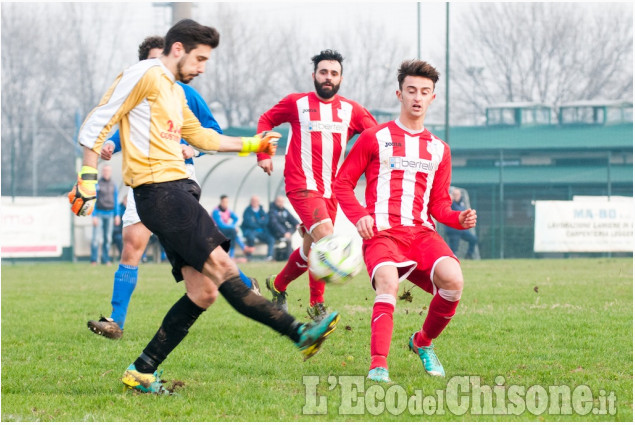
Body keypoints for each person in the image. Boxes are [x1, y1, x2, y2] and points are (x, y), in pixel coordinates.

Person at [69, 19, 340, 395]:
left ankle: (142, 370)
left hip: (175, 192)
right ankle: (298, 332)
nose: (202, 68)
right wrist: (87, 176)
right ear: (177, 48)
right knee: (225, 269)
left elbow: (200, 136)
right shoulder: (144, 74)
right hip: (162, 193)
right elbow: (99, 119)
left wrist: (253, 144)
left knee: (204, 292)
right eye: (199, 59)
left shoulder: (174, 91)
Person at [86, 36, 261, 340]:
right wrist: (111, 146)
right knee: (131, 245)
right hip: (144, 182)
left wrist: (195, 150)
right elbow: (125, 131)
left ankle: (246, 287)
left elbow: (211, 133)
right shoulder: (139, 85)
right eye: (153, 62)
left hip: (178, 180)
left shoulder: (185, 93)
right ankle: (116, 321)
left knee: (202, 252)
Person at [333, 60, 477, 383]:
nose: (417, 97)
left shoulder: (440, 149)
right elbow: (342, 184)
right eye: (411, 90)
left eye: (425, 92)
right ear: (399, 94)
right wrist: (360, 217)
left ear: (432, 98)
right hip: (382, 234)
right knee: (387, 282)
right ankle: (378, 366)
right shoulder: (374, 138)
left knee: (454, 281)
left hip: (422, 234)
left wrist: (458, 218)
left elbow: (439, 205)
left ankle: (422, 342)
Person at [257, 49, 377, 321]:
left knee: (311, 248)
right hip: (302, 184)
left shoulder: (351, 110)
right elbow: (266, 120)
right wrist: (263, 154)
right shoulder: (296, 103)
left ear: (340, 79)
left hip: (331, 191)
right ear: (314, 75)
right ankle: (317, 306)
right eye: (323, 72)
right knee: (326, 237)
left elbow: (375, 137)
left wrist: (368, 168)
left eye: (334, 73)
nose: (328, 77)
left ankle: (277, 285)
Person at [90, 164, 120, 265]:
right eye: (105, 171)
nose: (106, 173)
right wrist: (93, 215)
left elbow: (116, 200)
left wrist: (117, 215)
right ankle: (94, 259)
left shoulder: (113, 184)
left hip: (110, 214)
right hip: (99, 214)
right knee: (96, 238)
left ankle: (105, 259)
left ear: (110, 172)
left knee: (108, 238)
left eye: (108, 171)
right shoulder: (97, 184)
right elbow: (93, 200)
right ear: (102, 172)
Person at [445, 188, 479, 259]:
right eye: (455, 195)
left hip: (461, 229)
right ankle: (451, 260)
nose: (456, 196)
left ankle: (469, 255)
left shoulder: (462, 203)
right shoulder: (450, 203)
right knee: (454, 248)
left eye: (457, 194)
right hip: (453, 230)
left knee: (473, 239)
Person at [211, 194, 247, 259]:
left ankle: (233, 254)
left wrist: (233, 225)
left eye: (227, 202)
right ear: (221, 202)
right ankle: (240, 249)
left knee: (233, 233)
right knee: (233, 231)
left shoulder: (228, 210)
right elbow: (221, 225)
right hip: (217, 230)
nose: (226, 204)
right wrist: (233, 227)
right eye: (224, 202)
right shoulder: (216, 211)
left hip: (225, 230)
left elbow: (236, 218)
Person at [241, 195, 275, 261]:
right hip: (251, 231)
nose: (255, 202)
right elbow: (248, 222)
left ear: (259, 202)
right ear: (251, 202)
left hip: (262, 231)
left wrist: (256, 221)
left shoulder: (262, 210)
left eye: (256, 201)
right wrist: (260, 221)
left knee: (271, 239)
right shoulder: (247, 211)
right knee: (250, 237)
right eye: (253, 201)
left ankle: (269, 256)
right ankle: (249, 256)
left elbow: (266, 221)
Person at [267, 195, 299, 260]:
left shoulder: (284, 210)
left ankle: (290, 257)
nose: (281, 203)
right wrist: (284, 233)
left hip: (285, 232)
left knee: (294, 227)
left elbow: (292, 219)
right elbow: (275, 224)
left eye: (282, 202)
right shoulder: (272, 211)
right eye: (279, 202)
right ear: (275, 202)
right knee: (288, 240)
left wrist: (297, 224)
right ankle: (289, 258)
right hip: (275, 233)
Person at [111, 193, 127, 260]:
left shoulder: (133, 212)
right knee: (119, 238)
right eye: (126, 201)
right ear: (123, 201)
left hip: (129, 233)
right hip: (119, 232)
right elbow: (115, 227)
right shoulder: (119, 211)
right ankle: (123, 256)